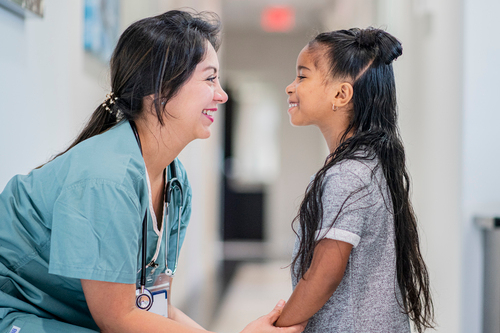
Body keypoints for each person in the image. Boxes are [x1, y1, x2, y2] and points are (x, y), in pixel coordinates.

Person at [0, 10, 306, 333]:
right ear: (160, 88)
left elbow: (154, 307)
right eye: (209, 78)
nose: (222, 94)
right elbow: (119, 319)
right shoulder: (108, 179)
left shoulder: (175, 183)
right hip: (14, 310)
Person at [274, 28, 435, 333]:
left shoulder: (346, 175)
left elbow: (325, 274)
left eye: (302, 76)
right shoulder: (370, 164)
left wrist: (280, 326)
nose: (290, 87)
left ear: (341, 94)